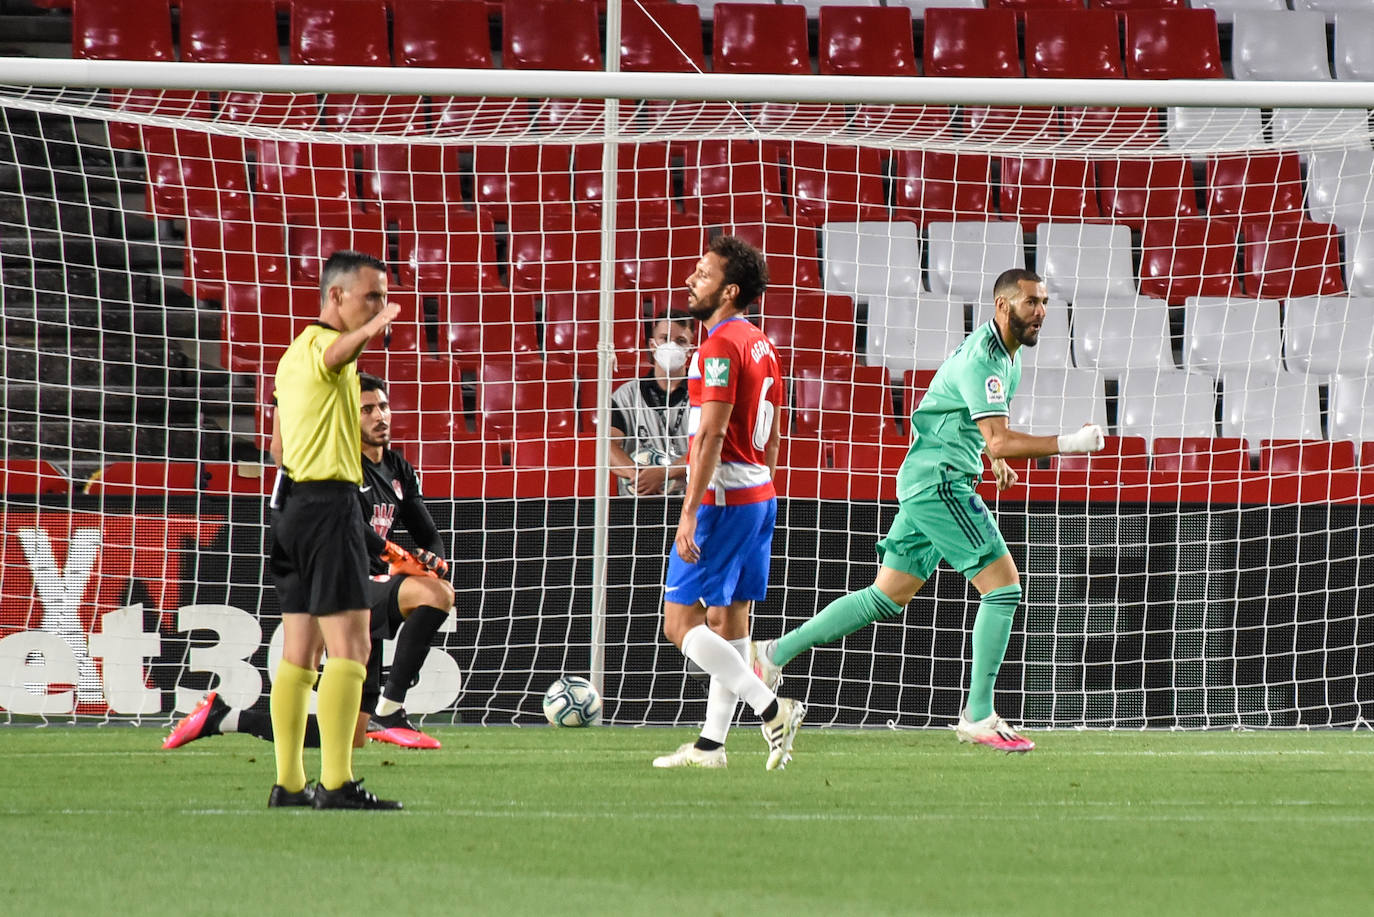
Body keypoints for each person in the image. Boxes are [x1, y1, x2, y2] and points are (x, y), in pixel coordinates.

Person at [751, 269, 1105, 753]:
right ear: (1003, 306)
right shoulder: (984, 360)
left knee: (884, 597)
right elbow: (997, 435)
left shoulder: (1006, 355)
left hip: (927, 478)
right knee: (1003, 589)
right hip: (940, 483)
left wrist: (993, 458)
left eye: (1044, 301)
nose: (1040, 311)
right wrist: (1070, 444)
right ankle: (978, 713)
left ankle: (772, 654)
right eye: (1030, 302)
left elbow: (976, 426)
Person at [163, 373, 456, 753]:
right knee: (435, 595)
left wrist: (434, 556)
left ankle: (224, 717)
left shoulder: (398, 468)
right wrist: (394, 555)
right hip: (338, 584)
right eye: (366, 409)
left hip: (368, 584)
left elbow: (426, 530)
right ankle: (392, 708)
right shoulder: (337, 465)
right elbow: (347, 524)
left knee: (351, 737)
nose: (379, 416)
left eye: (382, 406)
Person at [652, 235, 805, 772]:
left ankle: (771, 706)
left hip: (724, 499)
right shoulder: (761, 342)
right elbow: (776, 430)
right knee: (730, 621)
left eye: (704, 273)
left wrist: (690, 509)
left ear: (729, 290)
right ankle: (711, 747)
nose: (692, 279)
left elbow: (711, 435)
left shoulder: (718, 346)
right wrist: (765, 485)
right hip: (760, 494)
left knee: (679, 623)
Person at [265, 249, 402, 810]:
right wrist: (374, 325)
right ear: (337, 296)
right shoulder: (327, 350)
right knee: (354, 646)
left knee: (299, 654)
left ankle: (289, 784)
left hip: (290, 507)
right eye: (370, 295)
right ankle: (338, 783)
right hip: (327, 506)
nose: (380, 304)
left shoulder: (292, 355)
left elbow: (275, 446)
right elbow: (341, 351)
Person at [607, 310, 694, 496]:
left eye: (680, 341)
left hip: (690, 503)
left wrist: (664, 473)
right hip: (638, 504)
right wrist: (638, 478)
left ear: (690, 350)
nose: (671, 346)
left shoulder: (704, 395)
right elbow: (607, 445)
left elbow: (712, 450)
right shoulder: (626, 395)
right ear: (652, 345)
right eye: (664, 338)